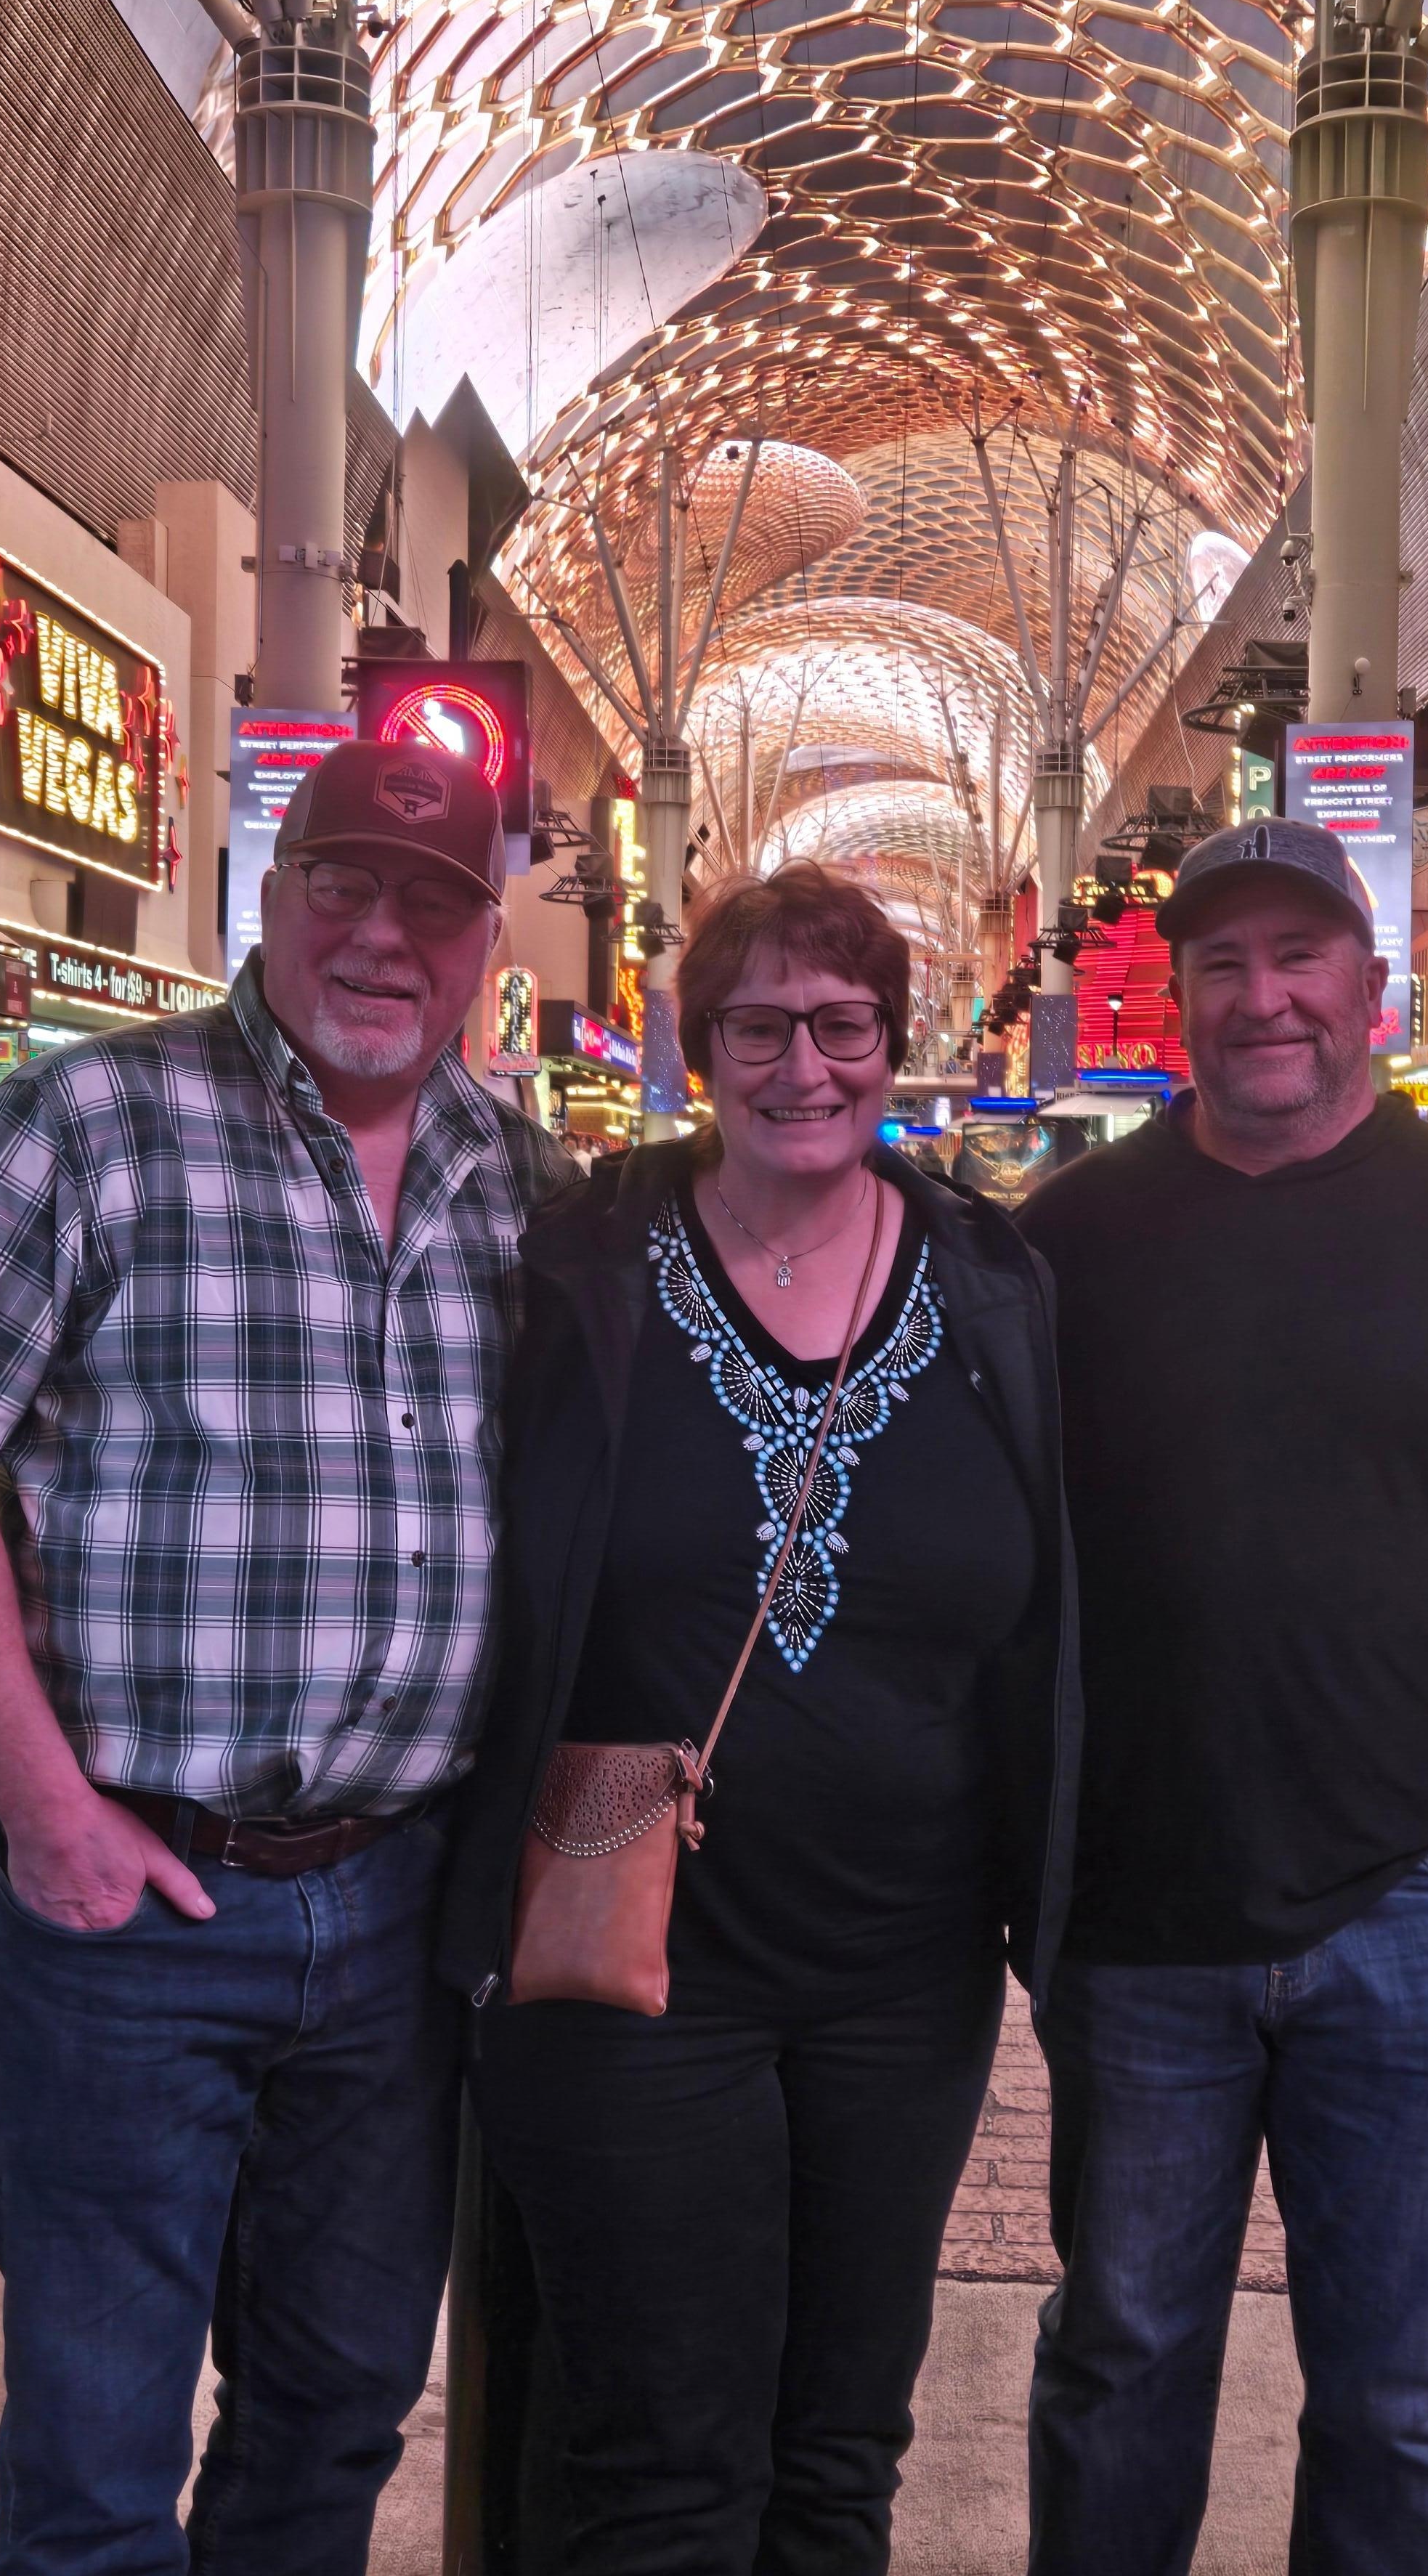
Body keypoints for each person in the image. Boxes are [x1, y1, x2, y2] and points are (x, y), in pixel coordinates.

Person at [0, 739, 574, 2576]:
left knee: (335, 2411)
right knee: (97, 2450)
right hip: (133, 1909)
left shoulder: (523, 1183)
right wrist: (48, 1812)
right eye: (345, 882)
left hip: (400, 1909)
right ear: (273, 889)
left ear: (488, 941)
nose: (384, 935)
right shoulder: (92, 1120)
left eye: (434, 901)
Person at [1018, 815, 1428, 2576]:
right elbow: (995, 1580)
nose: (1266, 998)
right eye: (1223, 965)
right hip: (1136, 1909)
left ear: (1369, 988)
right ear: (1177, 999)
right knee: (1120, 2353)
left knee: (1403, 2393)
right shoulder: (1068, 1239)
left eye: (1299, 958)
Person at [442, 861, 1081, 2576]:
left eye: (844, 1024)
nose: (806, 1065)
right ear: (696, 1045)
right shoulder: (578, 1262)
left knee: (838, 2450)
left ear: (896, 1037)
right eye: (760, 1026)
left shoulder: (991, 1284)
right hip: (629, 1963)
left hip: (905, 1974)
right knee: (659, 2459)